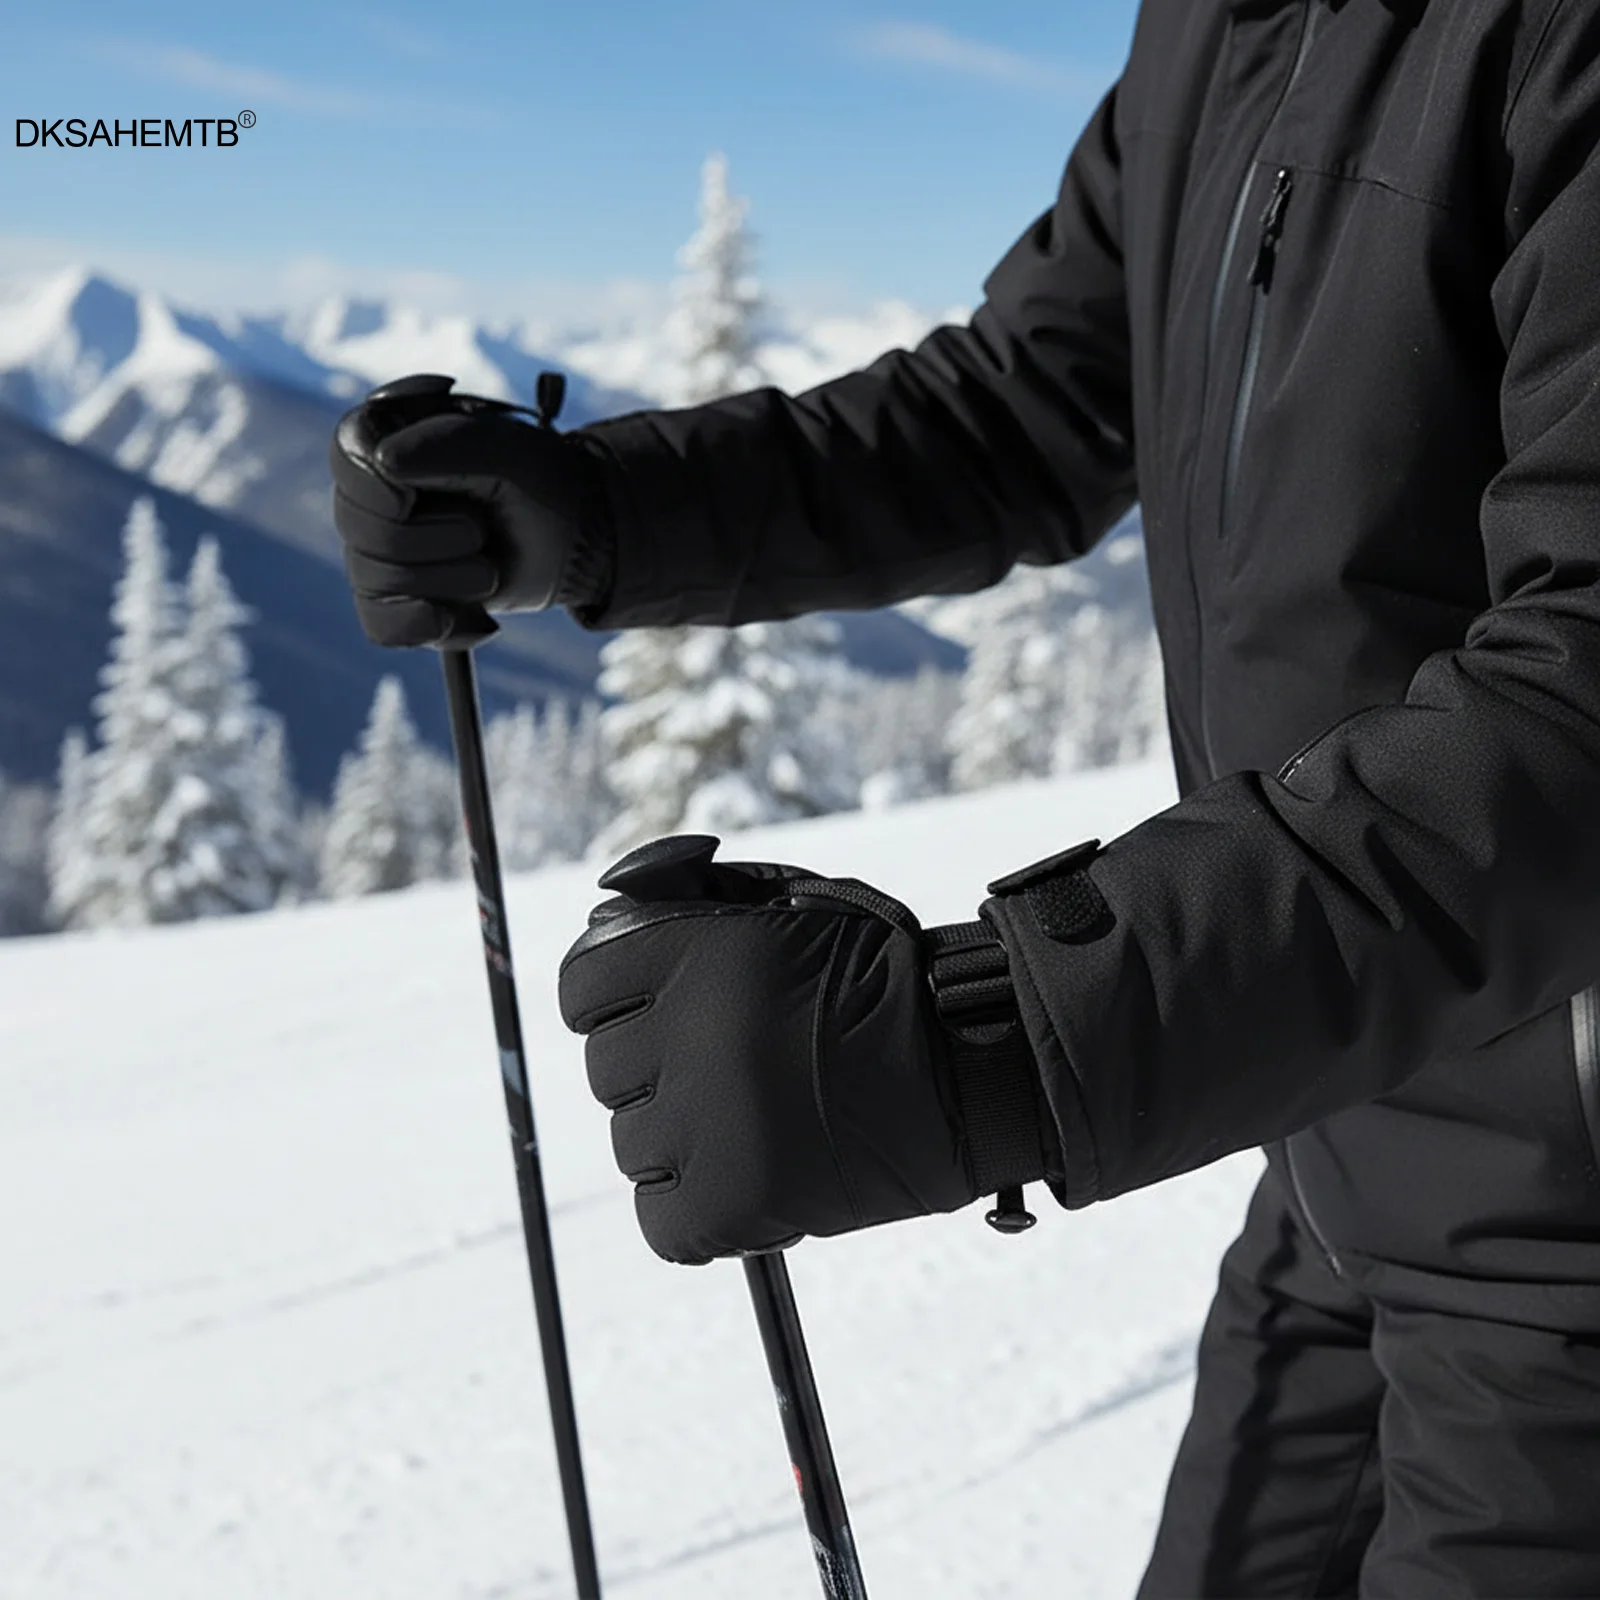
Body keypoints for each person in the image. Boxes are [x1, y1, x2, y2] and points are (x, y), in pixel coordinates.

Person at [330, 2, 1600, 1592]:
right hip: (1337, 1134)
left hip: (1564, 1236)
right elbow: (1027, 403)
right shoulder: (1223, 24)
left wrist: (989, 1035)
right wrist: (602, 511)